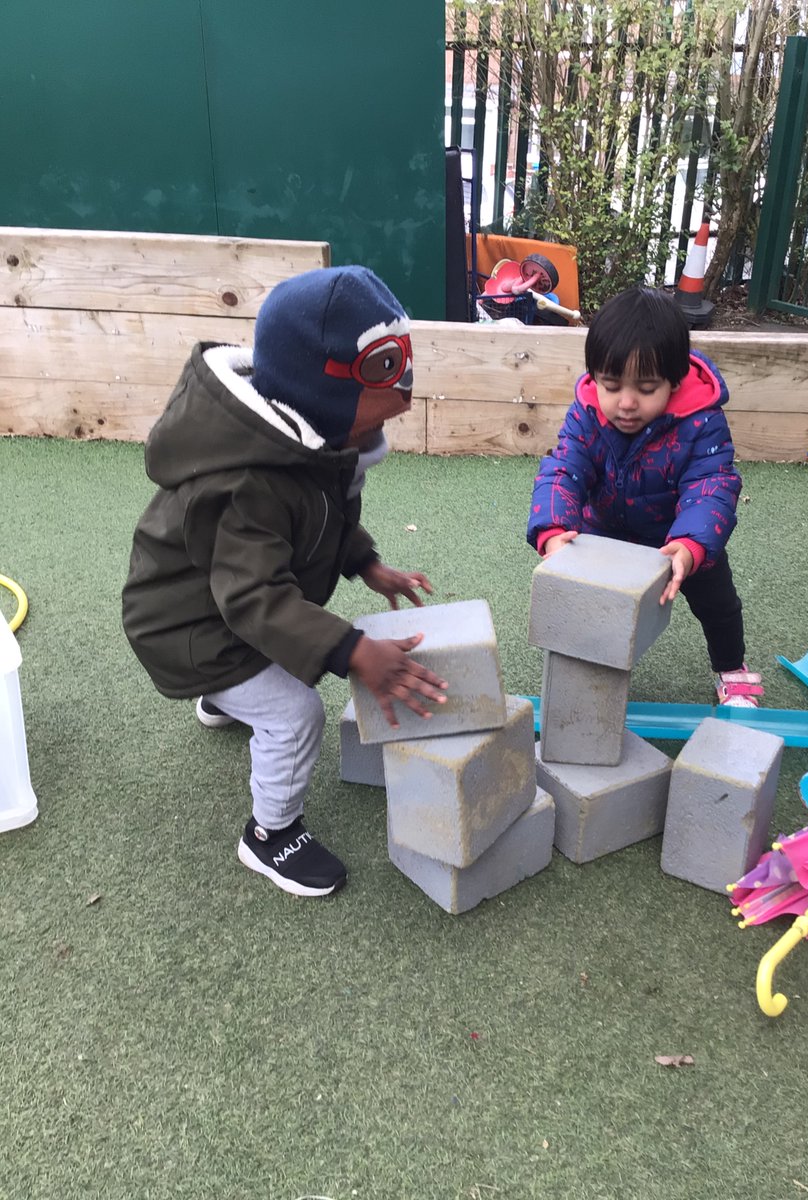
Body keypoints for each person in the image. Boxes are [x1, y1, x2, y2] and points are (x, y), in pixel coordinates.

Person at [122, 266, 448, 899]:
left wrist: (366, 562)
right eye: (367, 423)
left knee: (269, 666)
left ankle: (223, 701)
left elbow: (322, 521)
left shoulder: (311, 446)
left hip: (226, 605)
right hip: (190, 627)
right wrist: (353, 650)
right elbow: (254, 598)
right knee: (296, 713)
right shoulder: (251, 481)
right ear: (317, 397)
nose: (377, 436)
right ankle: (271, 835)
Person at [527, 285, 762, 707]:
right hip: (603, 534)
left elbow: (711, 486)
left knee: (719, 604)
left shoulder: (700, 421)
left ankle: (731, 668)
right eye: (611, 385)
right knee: (586, 601)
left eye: (647, 388)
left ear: (674, 381)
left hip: (673, 537)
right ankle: (584, 665)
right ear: (595, 375)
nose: (627, 403)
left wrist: (691, 547)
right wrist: (555, 528)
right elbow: (564, 468)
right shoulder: (587, 412)